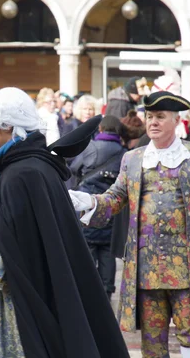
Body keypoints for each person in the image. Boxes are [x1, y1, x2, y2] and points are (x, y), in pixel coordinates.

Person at [0, 87, 129, 358]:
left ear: (8, 126)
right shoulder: (30, 167)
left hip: (17, 313)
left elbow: (17, 257)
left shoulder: (19, 174)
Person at [69, 91, 190, 358]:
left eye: (160, 117)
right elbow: (115, 198)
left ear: (176, 121)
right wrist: (90, 201)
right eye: (149, 117)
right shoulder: (133, 158)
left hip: (189, 263)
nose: (153, 122)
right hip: (146, 266)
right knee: (151, 338)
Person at [69, 115, 128, 300]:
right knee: (108, 254)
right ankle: (106, 293)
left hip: (88, 207)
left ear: (100, 129)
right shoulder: (124, 153)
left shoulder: (90, 147)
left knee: (86, 253)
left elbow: (74, 168)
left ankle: (86, 295)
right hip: (111, 210)